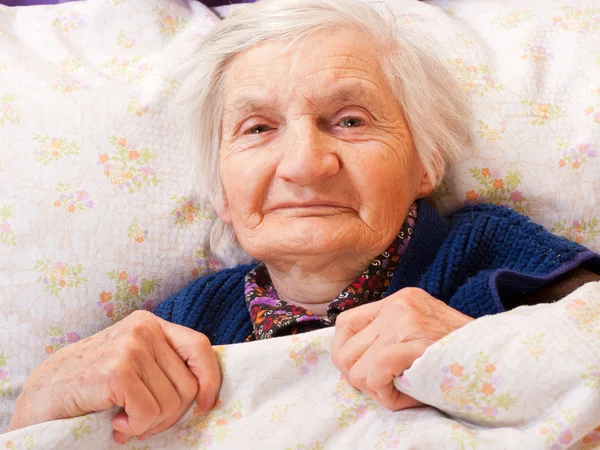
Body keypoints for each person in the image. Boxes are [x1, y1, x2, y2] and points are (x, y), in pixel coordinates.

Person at [9, 0, 600, 444]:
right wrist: (38, 406)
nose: (305, 165)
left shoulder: (497, 257)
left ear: (425, 163)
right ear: (221, 191)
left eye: (349, 120)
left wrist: (487, 355)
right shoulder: (186, 327)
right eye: (258, 129)